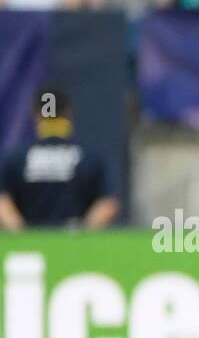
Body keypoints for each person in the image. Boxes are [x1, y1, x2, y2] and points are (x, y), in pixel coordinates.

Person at [0, 89, 119, 231]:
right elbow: (108, 204)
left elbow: (3, 202)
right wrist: (80, 234)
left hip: (30, 250)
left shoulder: (17, 158)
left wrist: (23, 234)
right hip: (75, 248)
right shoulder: (89, 157)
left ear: (35, 113)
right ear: (69, 112)